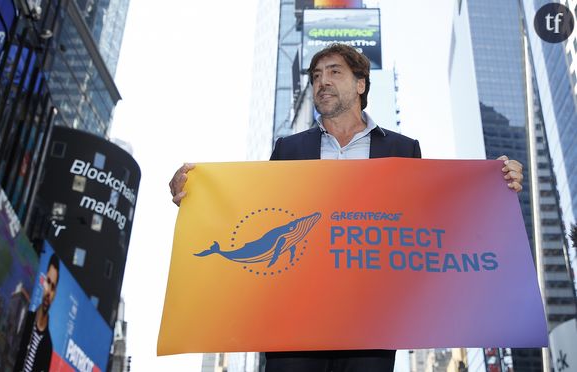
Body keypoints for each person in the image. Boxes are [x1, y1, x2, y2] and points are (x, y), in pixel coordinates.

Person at [169, 43, 524, 372]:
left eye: (334, 72)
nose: (322, 81)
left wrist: (496, 184)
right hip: (294, 323)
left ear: (360, 84)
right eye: (316, 76)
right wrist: (196, 195)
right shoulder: (288, 150)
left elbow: (434, 219)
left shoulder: (402, 149)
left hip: (371, 325)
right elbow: (253, 212)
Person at [15, 253, 59, 372]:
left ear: (55, 293)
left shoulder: (47, 346)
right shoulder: (25, 318)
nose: (49, 292)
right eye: (48, 282)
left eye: (53, 287)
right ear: (43, 282)